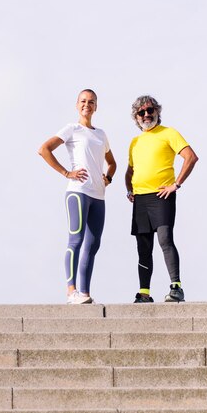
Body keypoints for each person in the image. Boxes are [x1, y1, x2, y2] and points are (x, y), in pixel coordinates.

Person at [38, 89, 116, 304]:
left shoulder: (101, 134)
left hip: (98, 196)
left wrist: (108, 178)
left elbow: (112, 163)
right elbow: (44, 149)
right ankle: (71, 291)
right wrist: (66, 172)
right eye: (83, 101)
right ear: (77, 105)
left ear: (96, 106)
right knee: (76, 239)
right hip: (77, 192)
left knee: (93, 244)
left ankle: (84, 293)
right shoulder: (71, 129)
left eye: (91, 102)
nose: (87, 105)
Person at [125, 95, 198, 303]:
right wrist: (129, 190)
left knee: (165, 240)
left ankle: (176, 287)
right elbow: (130, 170)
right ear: (136, 117)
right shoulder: (135, 142)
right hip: (140, 199)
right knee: (143, 247)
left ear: (157, 112)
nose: (146, 115)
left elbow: (191, 157)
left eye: (150, 110)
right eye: (142, 112)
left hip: (161, 195)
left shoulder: (169, 133)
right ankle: (144, 292)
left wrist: (176, 184)